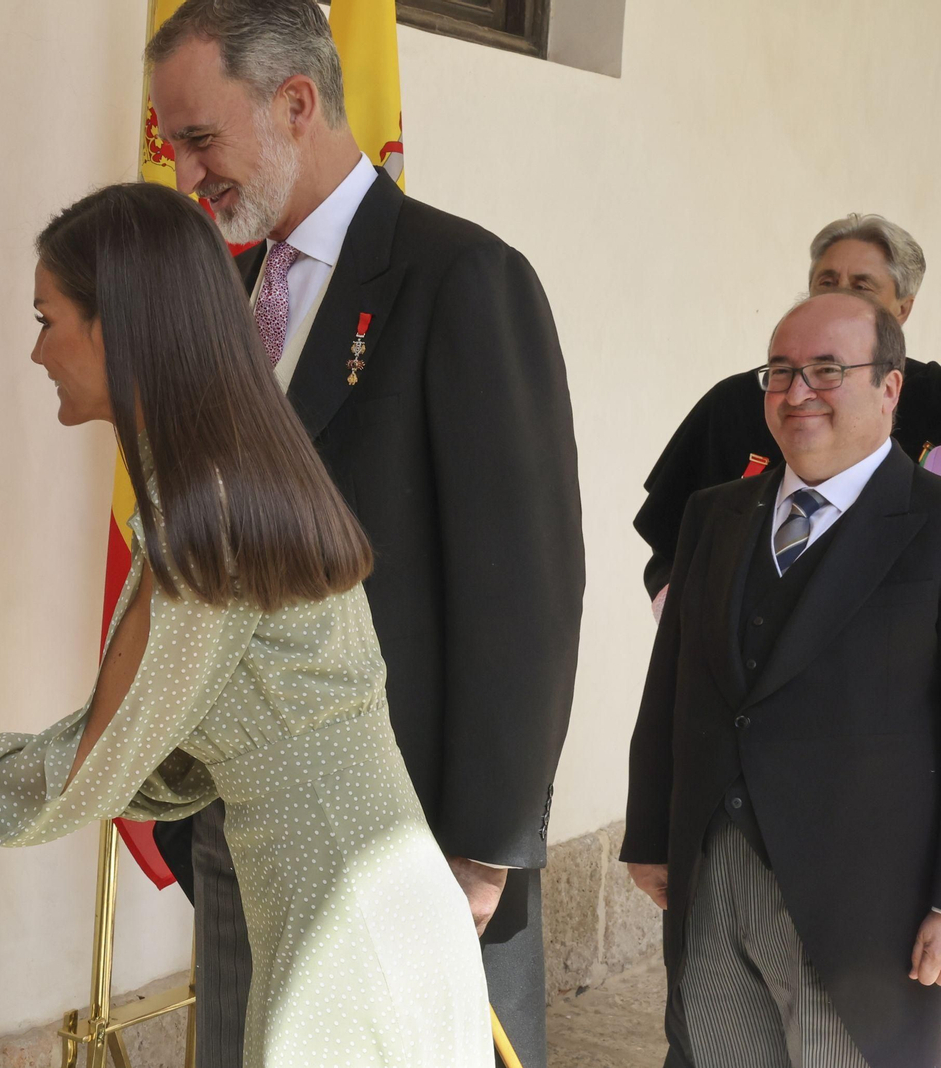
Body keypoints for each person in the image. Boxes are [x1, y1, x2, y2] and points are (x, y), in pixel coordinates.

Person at [0, 182, 494, 1068]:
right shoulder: (220, 488)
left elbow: (102, 764)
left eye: (47, 317)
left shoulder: (207, 518)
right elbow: (160, 756)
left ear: (121, 324)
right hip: (360, 918)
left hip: (351, 934)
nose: (37, 351)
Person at [140, 2, 585, 1064]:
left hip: (406, 840)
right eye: (174, 144)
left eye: (199, 139)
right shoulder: (228, 291)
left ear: (297, 102)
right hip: (236, 823)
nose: (187, 173)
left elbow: (525, 590)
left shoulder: (460, 280)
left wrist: (483, 849)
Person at [622, 290, 941, 1068]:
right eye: (780, 371)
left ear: (889, 387)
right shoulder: (712, 514)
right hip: (712, 872)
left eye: (827, 370)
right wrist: (650, 827)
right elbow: (673, 680)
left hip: (865, 903)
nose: (797, 393)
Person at [636, 214, 941, 614]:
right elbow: (673, 539)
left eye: (862, 286)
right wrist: (687, 627)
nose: (800, 396)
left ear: (903, 309)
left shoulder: (934, 400)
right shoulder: (739, 399)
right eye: (827, 282)